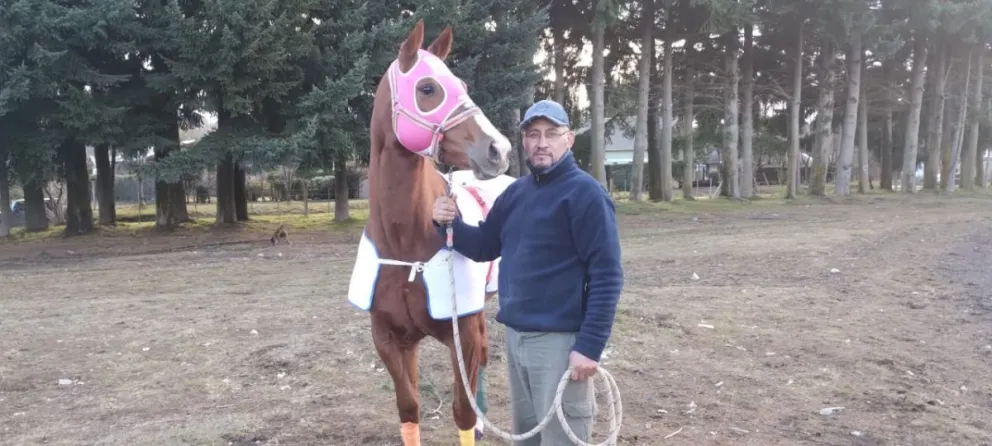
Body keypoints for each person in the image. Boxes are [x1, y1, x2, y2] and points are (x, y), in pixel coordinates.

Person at [432, 99, 624, 445]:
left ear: (569, 140)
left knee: (561, 438)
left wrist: (590, 347)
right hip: (517, 340)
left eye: (552, 134)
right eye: (533, 134)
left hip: (559, 345)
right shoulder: (516, 193)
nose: (542, 142)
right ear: (523, 142)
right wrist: (448, 223)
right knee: (528, 438)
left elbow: (607, 276)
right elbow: (484, 246)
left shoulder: (586, 195)